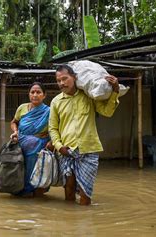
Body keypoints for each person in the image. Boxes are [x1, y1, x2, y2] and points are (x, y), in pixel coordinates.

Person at [49, 64, 120, 205]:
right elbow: (53, 128)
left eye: (65, 78)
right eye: (58, 80)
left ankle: (84, 223)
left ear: (74, 77)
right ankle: (70, 223)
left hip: (89, 149)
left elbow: (107, 112)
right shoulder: (56, 102)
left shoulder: (89, 96)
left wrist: (115, 92)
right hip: (66, 151)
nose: (62, 83)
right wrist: (59, 146)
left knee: (85, 194)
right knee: (68, 190)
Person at [10, 82, 53, 197]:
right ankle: (18, 189)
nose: (35, 95)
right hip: (20, 145)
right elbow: (14, 122)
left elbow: (54, 129)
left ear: (44, 95)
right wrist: (15, 132)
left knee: (37, 171)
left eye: (38, 92)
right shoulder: (22, 108)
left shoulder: (49, 111)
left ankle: (31, 191)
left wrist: (51, 143)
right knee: (18, 167)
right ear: (29, 94)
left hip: (39, 146)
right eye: (32, 92)